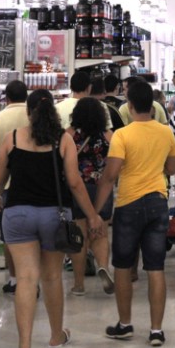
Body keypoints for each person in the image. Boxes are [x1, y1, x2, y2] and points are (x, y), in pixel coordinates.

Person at [0, 89, 104, 348]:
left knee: (26, 279)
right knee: (51, 277)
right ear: (52, 111)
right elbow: (74, 183)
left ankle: (25, 344)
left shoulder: (12, 139)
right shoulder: (63, 140)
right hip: (54, 216)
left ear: (28, 112)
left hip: (17, 214)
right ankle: (55, 336)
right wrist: (93, 215)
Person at [94, 81, 175, 346]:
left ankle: (125, 324)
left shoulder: (122, 135)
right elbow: (173, 169)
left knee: (122, 266)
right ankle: (156, 331)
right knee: (155, 268)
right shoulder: (166, 133)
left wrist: (96, 212)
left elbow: (110, 176)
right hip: (157, 203)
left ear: (129, 106)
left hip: (128, 205)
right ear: (152, 106)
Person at [0, 79, 30, 295]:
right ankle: (32, 279)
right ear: (26, 96)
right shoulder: (34, 117)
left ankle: (14, 280)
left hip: (7, 188)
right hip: (33, 185)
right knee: (32, 236)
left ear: (7, 98)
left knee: (9, 236)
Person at [65, 97, 115, 297]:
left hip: (78, 188)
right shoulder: (108, 136)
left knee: (79, 235)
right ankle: (103, 266)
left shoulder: (69, 135)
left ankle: (78, 284)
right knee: (100, 231)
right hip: (102, 188)